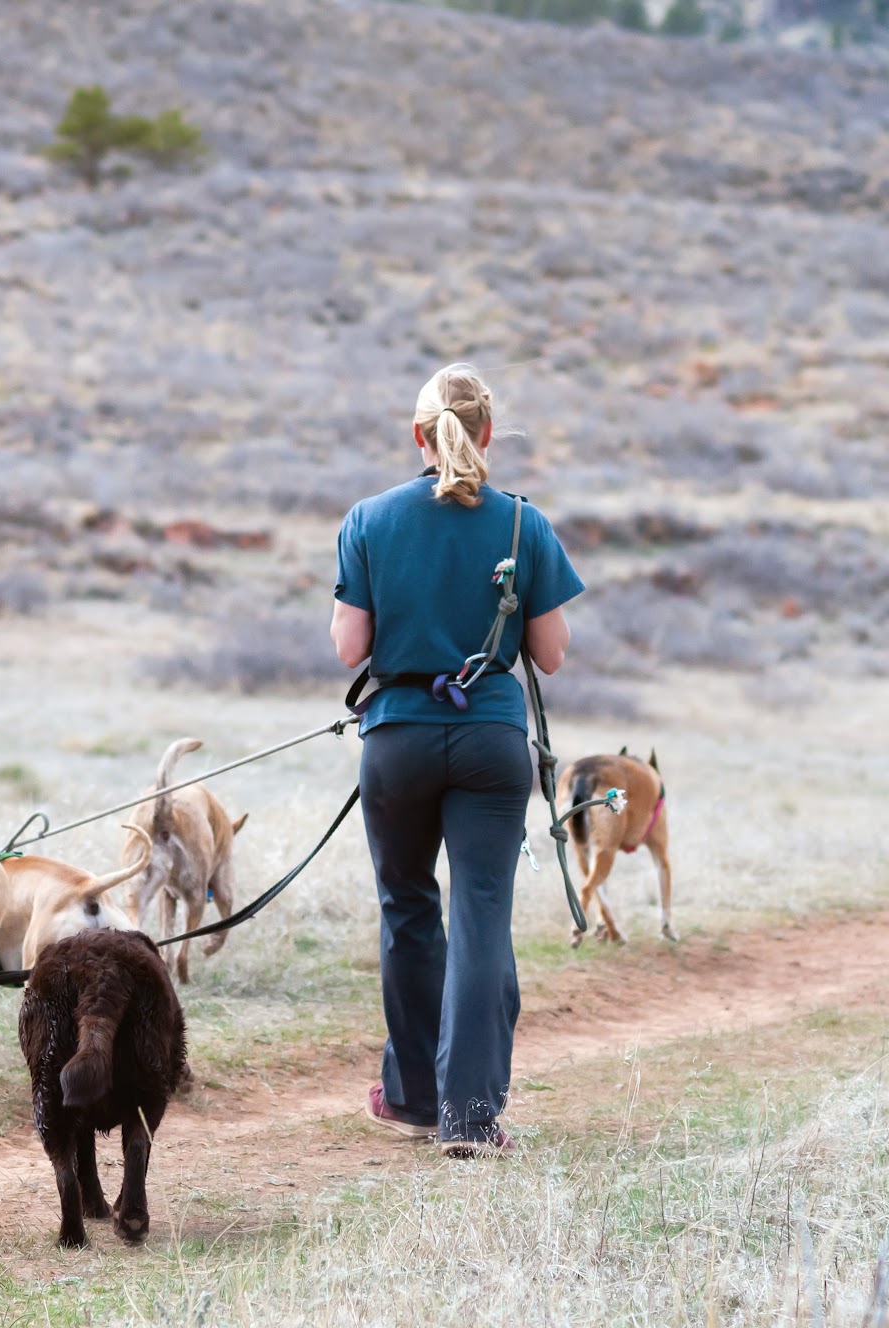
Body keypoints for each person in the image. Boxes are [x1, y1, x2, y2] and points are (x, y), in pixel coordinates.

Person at [330, 362, 583, 1159]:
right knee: (480, 917)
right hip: (490, 741)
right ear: (486, 435)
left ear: (419, 435)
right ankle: (471, 1119)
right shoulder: (523, 526)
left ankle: (410, 1099)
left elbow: (349, 650)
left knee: (406, 909)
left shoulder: (367, 519)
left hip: (397, 737)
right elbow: (550, 656)